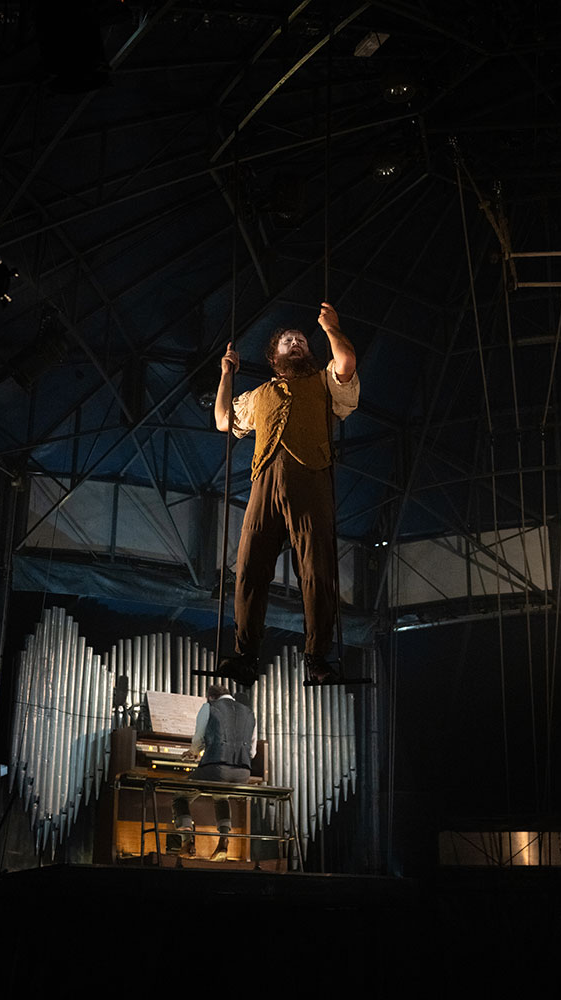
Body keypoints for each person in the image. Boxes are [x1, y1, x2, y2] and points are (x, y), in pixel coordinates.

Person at [214, 302, 360, 687]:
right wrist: (227, 374)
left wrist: (331, 328)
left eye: (301, 341)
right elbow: (224, 419)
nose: (295, 343)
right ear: (274, 357)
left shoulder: (325, 382)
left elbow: (346, 361)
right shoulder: (260, 394)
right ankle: (246, 655)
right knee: (250, 566)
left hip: (310, 476)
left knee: (316, 568)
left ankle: (317, 655)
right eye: (287, 342)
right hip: (265, 480)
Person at [174, 683, 256, 861]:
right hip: (243, 773)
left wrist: (193, 752)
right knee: (221, 796)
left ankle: (187, 842)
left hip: (216, 770)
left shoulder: (209, 707)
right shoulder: (249, 712)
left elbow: (198, 738)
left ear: (210, 697)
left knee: (180, 795)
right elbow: (252, 752)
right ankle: (223, 842)